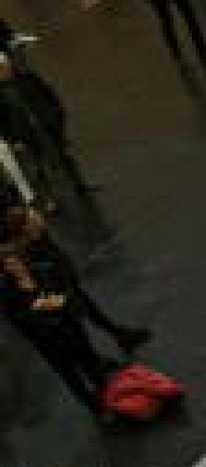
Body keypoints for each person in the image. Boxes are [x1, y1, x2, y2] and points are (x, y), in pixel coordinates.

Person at [0, 203, 131, 415]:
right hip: (47, 337)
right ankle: (93, 407)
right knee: (70, 373)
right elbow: (19, 317)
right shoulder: (8, 290)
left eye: (16, 261)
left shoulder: (39, 270)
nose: (16, 266)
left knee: (87, 359)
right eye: (9, 264)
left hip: (66, 322)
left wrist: (57, 301)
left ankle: (108, 394)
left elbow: (60, 286)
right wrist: (40, 310)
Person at [0, 49, 88, 204]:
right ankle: (49, 199)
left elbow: (48, 93)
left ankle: (79, 185)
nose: (5, 70)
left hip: (45, 125)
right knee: (37, 168)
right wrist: (13, 140)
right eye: (2, 68)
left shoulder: (27, 77)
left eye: (6, 66)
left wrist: (57, 114)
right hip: (26, 134)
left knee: (64, 155)